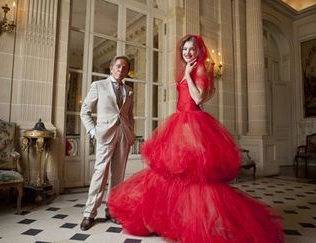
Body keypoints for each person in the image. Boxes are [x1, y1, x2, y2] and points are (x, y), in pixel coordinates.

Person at [107, 35, 284, 242]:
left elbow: (199, 98)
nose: (187, 53)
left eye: (191, 49)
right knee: (173, 174)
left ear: (198, 51)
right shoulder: (187, 69)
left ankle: (199, 221)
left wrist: (190, 75)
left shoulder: (198, 69)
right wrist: (187, 75)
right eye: (184, 50)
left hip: (193, 124)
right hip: (179, 123)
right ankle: (173, 218)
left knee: (195, 175)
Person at [79, 55, 136, 231]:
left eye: (125, 67)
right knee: (100, 174)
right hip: (104, 135)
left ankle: (112, 210)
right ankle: (89, 213)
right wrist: (93, 131)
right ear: (111, 68)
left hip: (123, 136)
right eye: (118, 66)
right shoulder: (98, 86)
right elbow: (84, 111)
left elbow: (129, 116)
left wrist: (131, 133)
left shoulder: (129, 90)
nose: (121, 69)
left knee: (118, 177)